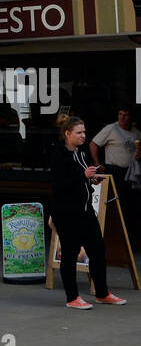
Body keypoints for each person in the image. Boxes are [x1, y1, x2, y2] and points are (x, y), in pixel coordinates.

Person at [50, 114, 126, 309]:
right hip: (67, 213)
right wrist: (82, 175)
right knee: (70, 253)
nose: (84, 136)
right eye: (79, 132)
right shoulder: (58, 154)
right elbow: (60, 185)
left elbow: (80, 179)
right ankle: (72, 297)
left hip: (85, 211)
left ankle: (102, 293)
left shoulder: (82, 153)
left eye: (84, 132)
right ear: (67, 134)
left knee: (98, 250)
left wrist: (91, 179)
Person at [90, 107, 141, 230]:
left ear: (131, 117)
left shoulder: (137, 133)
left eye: (126, 115)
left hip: (132, 172)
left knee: (132, 204)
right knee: (118, 203)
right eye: (120, 114)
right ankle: (115, 232)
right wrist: (97, 163)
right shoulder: (111, 128)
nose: (122, 117)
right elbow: (93, 144)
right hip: (115, 170)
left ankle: (130, 236)